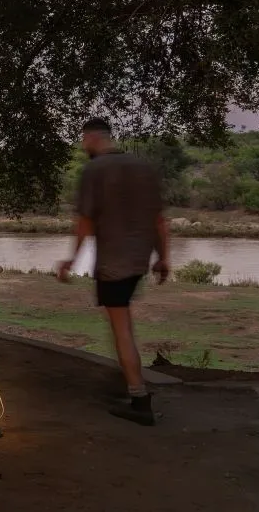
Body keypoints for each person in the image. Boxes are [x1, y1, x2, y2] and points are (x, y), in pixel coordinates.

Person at [56, 117, 170, 426]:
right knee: (124, 327)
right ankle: (130, 383)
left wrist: (70, 259)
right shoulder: (143, 168)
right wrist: (163, 258)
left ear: (92, 137)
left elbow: (85, 222)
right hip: (138, 262)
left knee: (122, 331)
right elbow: (159, 220)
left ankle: (138, 398)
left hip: (113, 264)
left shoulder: (95, 170)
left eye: (83, 140)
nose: (82, 146)